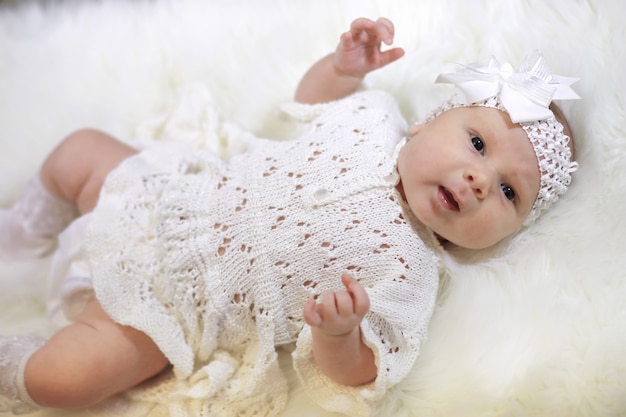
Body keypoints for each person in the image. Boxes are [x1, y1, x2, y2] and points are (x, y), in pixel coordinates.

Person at [0, 17, 578, 417]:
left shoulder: (411, 274)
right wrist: (343, 66)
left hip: (178, 315)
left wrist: (339, 334)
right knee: (81, 150)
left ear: (509, 233)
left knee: (64, 382)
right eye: (477, 144)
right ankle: (21, 237)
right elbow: (316, 101)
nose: (480, 180)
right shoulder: (371, 118)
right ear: (425, 124)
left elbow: (361, 374)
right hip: (164, 200)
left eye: (509, 191)